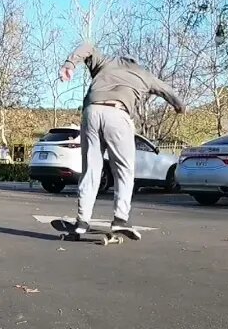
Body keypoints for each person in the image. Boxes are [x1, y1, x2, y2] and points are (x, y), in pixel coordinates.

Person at [58, 43, 185, 239]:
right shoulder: (144, 75)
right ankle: (120, 219)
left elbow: (87, 46)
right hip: (118, 114)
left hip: (92, 112)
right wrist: (179, 106)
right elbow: (166, 90)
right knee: (124, 169)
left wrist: (70, 64)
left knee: (91, 168)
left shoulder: (106, 63)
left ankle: (82, 220)